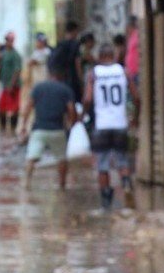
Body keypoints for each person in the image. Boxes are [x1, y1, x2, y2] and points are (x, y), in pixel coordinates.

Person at [83, 44, 139, 210]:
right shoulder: (124, 71)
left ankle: (106, 203)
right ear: (114, 56)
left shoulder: (94, 74)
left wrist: (84, 115)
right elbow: (137, 97)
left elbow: (87, 99)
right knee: (122, 160)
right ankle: (127, 185)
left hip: (102, 125)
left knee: (102, 165)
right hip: (120, 124)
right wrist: (135, 117)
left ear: (100, 57)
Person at [20, 65, 77, 190]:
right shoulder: (65, 90)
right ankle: (62, 186)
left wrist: (23, 126)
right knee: (62, 158)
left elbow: (27, 108)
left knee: (31, 157)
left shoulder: (38, 88)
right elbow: (71, 110)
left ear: (49, 75)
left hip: (39, 129)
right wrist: (71, 125)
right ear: (61, 77)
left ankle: (26, 184)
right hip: (57, 130)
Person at [0, 31, 22, 134]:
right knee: (2, 107)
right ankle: (2, 128)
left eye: (10, 40)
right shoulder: (3, 53)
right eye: (7, 40)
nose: (8, 42)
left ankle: (13, 128)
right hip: (3, 84)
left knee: (14, 108)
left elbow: (17, 70)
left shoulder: (16, 55)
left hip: (13, 86)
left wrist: (11, 84)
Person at [48, 21, 82, 103]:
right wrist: (81, 80)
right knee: (75, 102)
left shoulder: (60, 44)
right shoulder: (75, 44)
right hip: (73, 78)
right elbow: (78, 64)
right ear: (74, 31)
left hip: (62, 79)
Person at [124, 16, 139, 86]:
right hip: (131, 72)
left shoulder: (137, 35)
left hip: (135, 72)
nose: (126, 29)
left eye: (127, 27)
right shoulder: (131, 36)